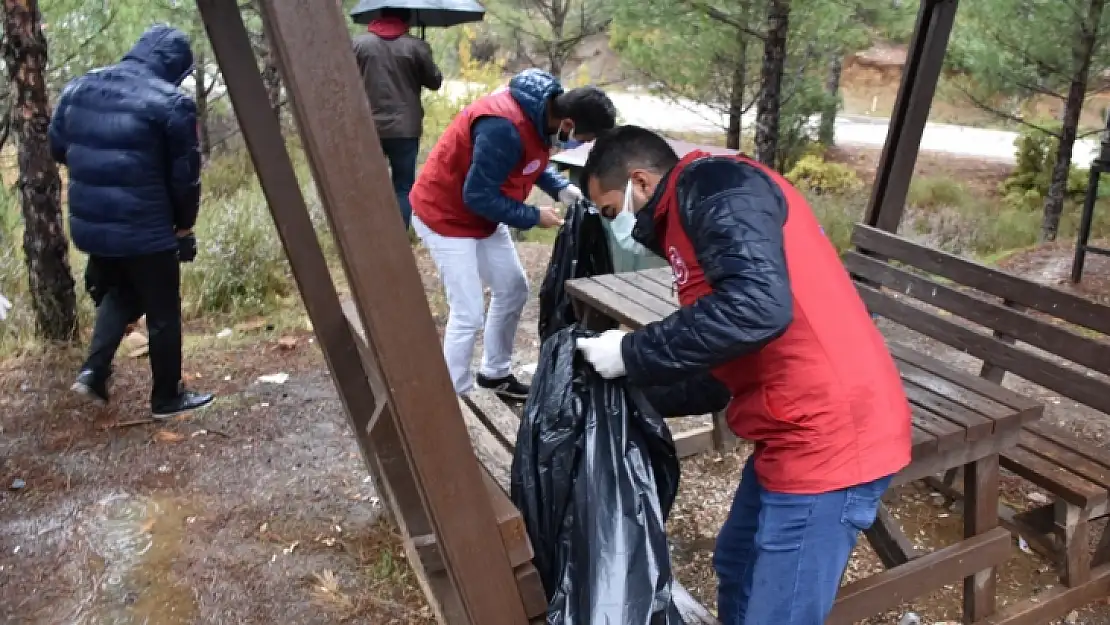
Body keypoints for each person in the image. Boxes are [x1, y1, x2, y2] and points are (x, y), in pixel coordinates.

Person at [576, 125, 912, 624]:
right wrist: (623, 388)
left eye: (610, 211)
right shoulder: (683, 223)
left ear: (640, 183)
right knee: (737, 563)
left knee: (779, 612)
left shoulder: (716, 189)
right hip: (788, 425)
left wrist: (632, 351)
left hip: (833, 434)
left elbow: (757, 309)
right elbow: (721, 364)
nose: (614, 225)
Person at [409, 68, 617, 400]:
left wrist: (562, 189)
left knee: (513, 288)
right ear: (569, 124)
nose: (582, 145)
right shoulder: (502, 127)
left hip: (483, 216)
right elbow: (476, 195)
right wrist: (534, 216)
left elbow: (532, 159)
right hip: (444, 215)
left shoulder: (543, 113)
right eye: (585, 139)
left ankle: (495, 375)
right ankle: (453, 398)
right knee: (468, 310)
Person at [49, 24, 213, 418]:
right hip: (145, 227)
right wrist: (184, 228)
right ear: (175, 65)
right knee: (162, 311)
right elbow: (185, 178)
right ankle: (167, 398)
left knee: (122, 293)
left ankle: (93, 372)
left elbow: (58, 147)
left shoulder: (78, 88)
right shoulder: (172, 103)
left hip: (92, 224)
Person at [353, 8, 443, 231]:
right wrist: (423, 52)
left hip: (368, 126)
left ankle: (367, 232)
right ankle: (399, 237)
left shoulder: (358, 45)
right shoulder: (415, 46)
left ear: (380, 15)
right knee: (403, 186)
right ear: (407, 19)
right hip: (405, 128)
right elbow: (435, 82)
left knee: (368, 182)